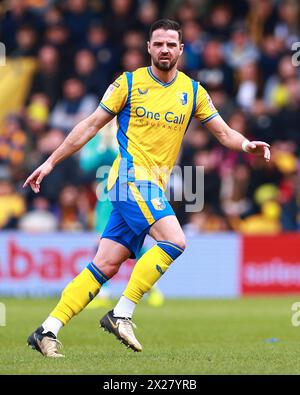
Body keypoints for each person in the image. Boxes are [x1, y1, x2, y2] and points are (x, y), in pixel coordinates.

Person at [24, 19, 271, 357]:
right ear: (149, 48)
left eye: (171, 44)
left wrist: (246, 146)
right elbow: (91, 125)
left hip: (151, 184)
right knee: (175, 240)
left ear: (181, 50)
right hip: (129, 177)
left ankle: (46, 330)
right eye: (159, 44)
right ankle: (121, 313)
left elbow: (225, 133)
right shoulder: (128, 83)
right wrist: (50, 162)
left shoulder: (193, 91)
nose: (165, 49)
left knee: (106, 265)